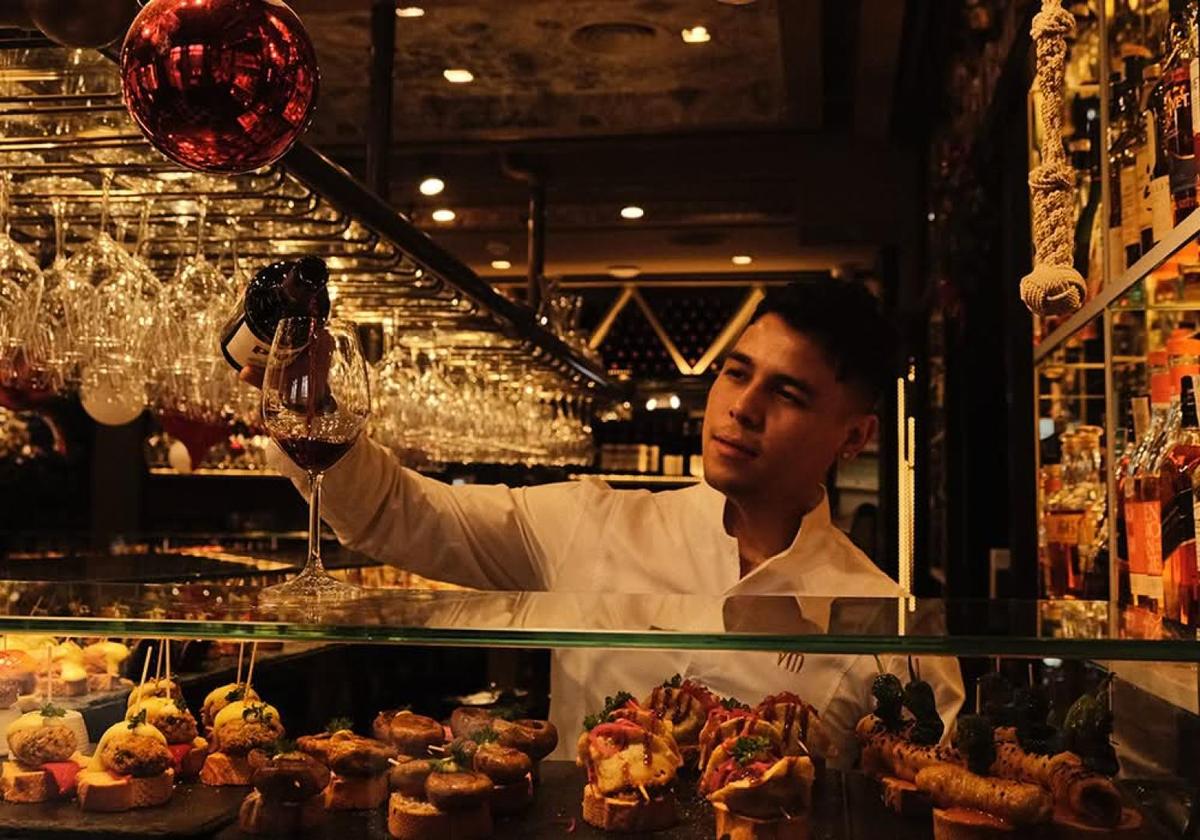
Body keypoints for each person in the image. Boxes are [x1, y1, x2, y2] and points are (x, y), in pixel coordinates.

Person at [259, 279, 964, 761]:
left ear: (854, 439)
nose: (743, 407)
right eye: (736, 372)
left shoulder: (885, 622)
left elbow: (916, 792)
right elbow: (392, 512)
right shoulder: (590, 521)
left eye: (788, 393)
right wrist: (304, 402)